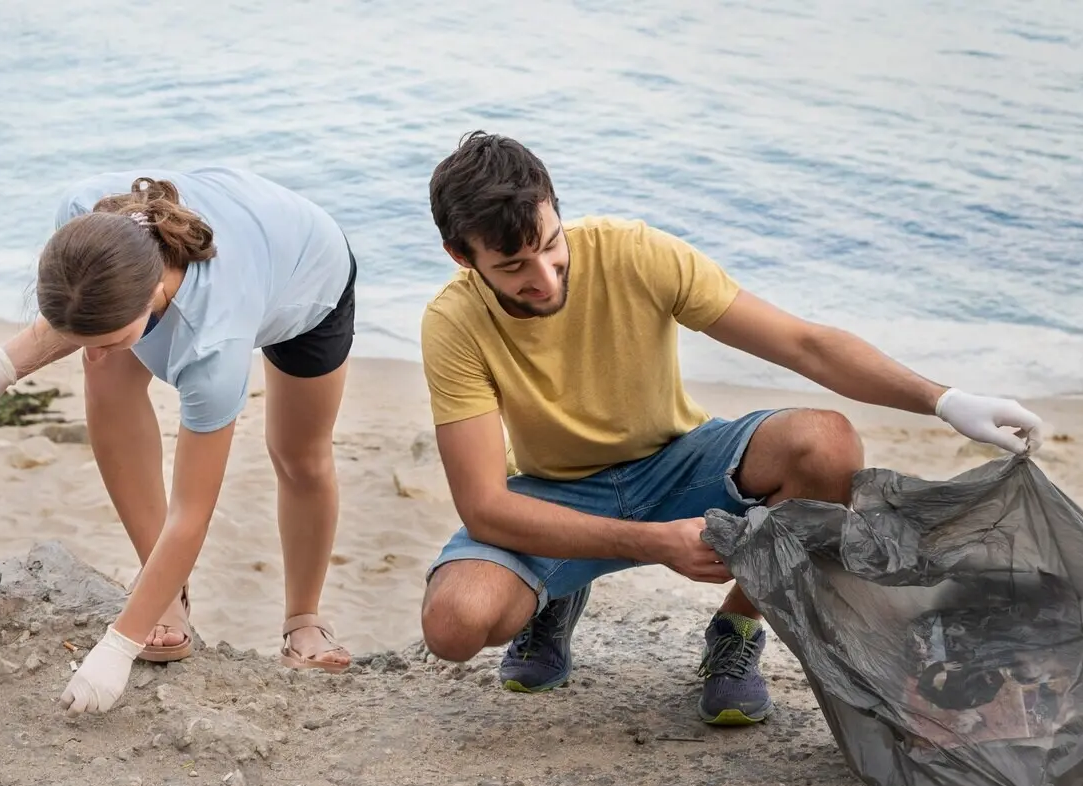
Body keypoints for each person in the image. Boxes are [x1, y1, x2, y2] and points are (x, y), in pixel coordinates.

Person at [417, 131, 1045, 726]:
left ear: (557, 209)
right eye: (516, 266)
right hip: (554, 491)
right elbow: (484, 506)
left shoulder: (634, 253)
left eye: (553, 244)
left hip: (678, 461)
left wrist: (943, 399)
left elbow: (805, 345)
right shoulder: (454, 322)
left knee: (826, 442)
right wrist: (653, 542)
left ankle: (737, 627)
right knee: (455, 625)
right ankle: (552, 601)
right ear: (462, 257)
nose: (547, 278)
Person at [0, 167, 359, 714]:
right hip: (231, 236)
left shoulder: (213, 344)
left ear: (153, 295)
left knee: (299, 457)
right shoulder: (84, 219)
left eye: (112, 338)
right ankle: (166, 597)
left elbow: (191, 515)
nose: (98, 352)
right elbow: (87, 320)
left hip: (305, 276)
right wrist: (4, 362)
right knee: (106, 376)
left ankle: (304, 620)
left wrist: (117, 645)